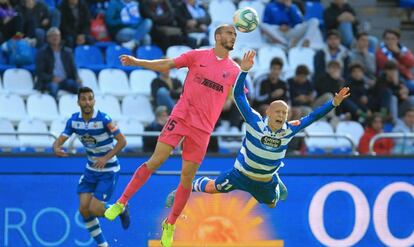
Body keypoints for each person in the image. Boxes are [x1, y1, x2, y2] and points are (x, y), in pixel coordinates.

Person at [104, 24, 254, 247]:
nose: (233, 37)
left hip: (203, 130)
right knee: (155, 161)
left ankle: (170, 223)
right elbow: (167, 64)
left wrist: (244, 72)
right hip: (181, 118)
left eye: (235, 34)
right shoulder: (197, 56)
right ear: (217, 36)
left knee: (186, 178)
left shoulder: (233, 70)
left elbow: (241, 100)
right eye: (229, 33)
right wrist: (138, 62)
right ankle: (122, 201)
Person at [165, 77, 350, 209]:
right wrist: (244, 71)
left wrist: (333, 103)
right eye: (277, 112)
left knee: (272, 204)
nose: (281, 115)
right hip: (241, 175)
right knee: (213, 188)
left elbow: (312, 117)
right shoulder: (255, 122)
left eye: (284, 113)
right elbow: (238, 96)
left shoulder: (289, 129)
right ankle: (181, 190)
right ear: (268, 112)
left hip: (265, 182)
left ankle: (275, 180)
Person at [52, 87, 130, 247]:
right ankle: (103, 245)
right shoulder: (74, 121)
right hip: (91, 169)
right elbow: (61, 139)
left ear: (94, 100)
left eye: (90, 98)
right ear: (78, 102)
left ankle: (121, 209)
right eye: (84, 99)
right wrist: (56, 147)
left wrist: (105, 158)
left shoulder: (104, 119)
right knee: (83, 210)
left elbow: (122, 141)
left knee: (94, 209)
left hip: (108, 170)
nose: (87, 102)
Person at [35, 27, 82, 99]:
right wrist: (52, 78)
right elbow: (39, 72)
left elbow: (73, 68)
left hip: (65, 80)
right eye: (52, 35)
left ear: (60, 37)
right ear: (48, 38)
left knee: (80, 88)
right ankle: (53, 107)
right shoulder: (42, 52)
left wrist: (77, 78)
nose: (55, 37)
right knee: (53, 87)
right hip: (49, 81)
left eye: (57, 35)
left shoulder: (67, 52)